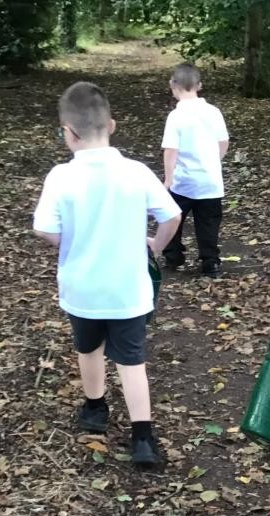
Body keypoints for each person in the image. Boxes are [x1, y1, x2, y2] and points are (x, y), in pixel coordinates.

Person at [33, 81, 182, 468]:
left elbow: (44, 228)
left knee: (88, 348)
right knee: (132, 361)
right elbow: (172, 215)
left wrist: (71, 242)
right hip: (127, 289)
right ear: (111, 125)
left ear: (68, 131)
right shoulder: (136, 172)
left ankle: (96, 409)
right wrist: (155, 245)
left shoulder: (60, 177)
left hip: (82, 289)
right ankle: (143, 438)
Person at [160, 63, 230, 278]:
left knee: (172, 217)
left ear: (173, 85)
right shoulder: (214, 112)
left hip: (183, 181)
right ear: (199, 85)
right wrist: (213, 161)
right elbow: (223, 141)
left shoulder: (176, 117)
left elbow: (171, 150)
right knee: (208, 224)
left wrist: (168, 179)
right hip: (211, 182)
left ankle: (173, 256)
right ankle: (210, 263)